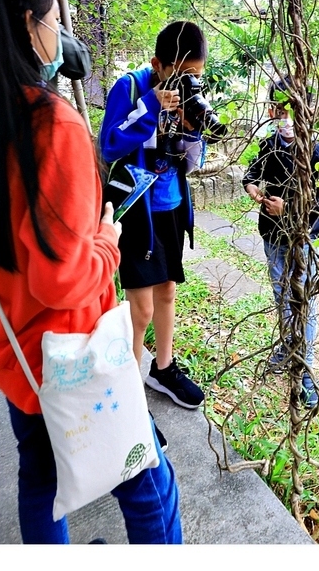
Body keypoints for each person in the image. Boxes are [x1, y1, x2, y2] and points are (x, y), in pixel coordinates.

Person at [0, 0, 182, 544]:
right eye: (55, 20)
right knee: (148, 484)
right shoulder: (49, 124)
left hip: (6, 348)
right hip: (69, 356)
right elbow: (60, 278)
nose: (60, 32)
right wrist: (107, 240)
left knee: (40, 475)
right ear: (27, 27)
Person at [98, 22, 208, 410]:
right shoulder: (129, 88)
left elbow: (194, 162)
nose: (186, 83)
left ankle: (162, 368)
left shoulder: (191, 94)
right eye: (179, 75)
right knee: (139, 309)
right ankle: (128, 398)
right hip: (136, 208)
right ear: (156, 65)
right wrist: (150, 107)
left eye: (194, 76)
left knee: (167, 292)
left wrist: (193, 131)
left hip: (172, 205)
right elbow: (109, 146)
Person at [242, 76, 319, 409]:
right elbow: (250, 173)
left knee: (304, 303)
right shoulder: (271, 144)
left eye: (289, 110)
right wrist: (253, 189)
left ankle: (306, 372)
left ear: (304, 110)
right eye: (277, 108)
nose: (281, 116)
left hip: (301, 238)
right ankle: (287, 347)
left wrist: (292, 207)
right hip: (272, 235)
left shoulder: (316, 150)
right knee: (281, 297)